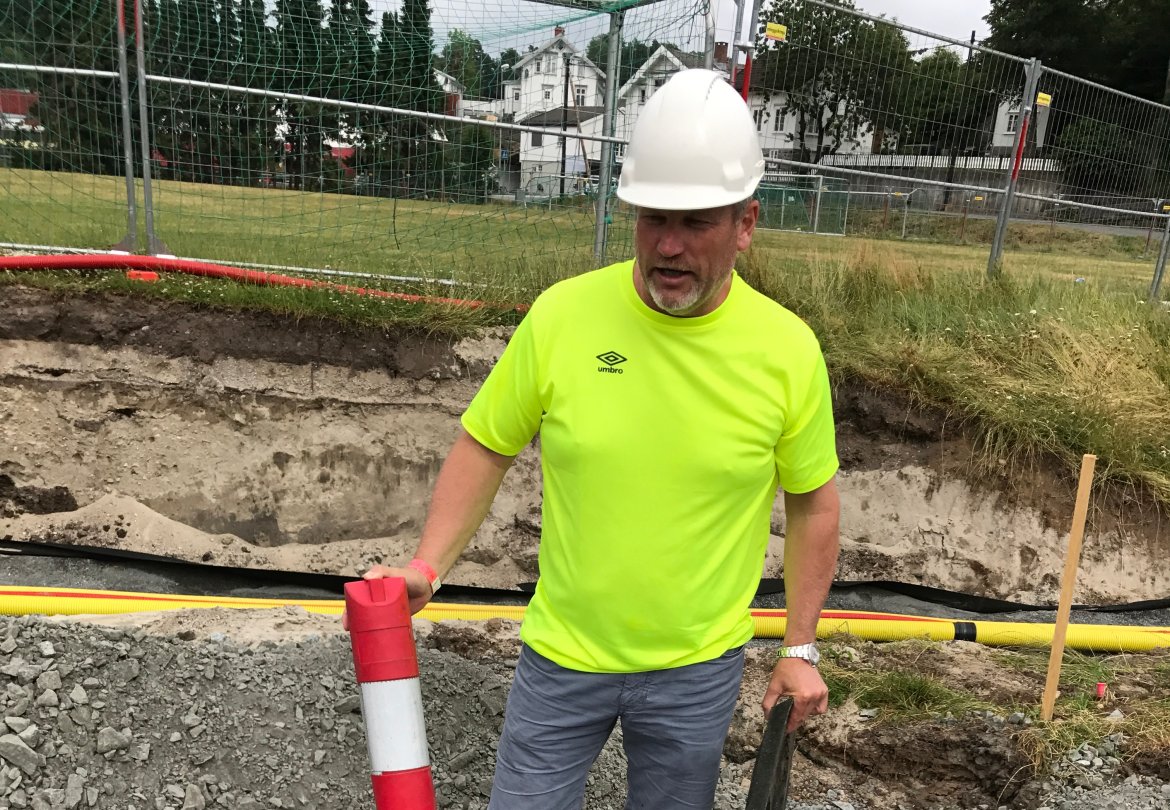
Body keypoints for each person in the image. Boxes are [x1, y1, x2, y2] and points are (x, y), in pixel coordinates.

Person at [360, 68, 840, 809]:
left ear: (745, 224)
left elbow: (813, 502)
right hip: (561, 657)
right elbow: (486, 444)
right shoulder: (564, 318)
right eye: (653, 220)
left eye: (695, 223)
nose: (669, 247)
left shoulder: (786, 351)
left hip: (697, 669)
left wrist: (799, 648)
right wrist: (430, 564)